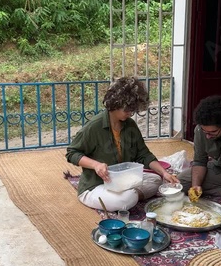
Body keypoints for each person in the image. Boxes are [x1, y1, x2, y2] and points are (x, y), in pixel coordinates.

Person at [66, 76, 179, 212]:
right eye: (127, 110)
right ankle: (131, 196)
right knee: (125, 199)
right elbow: (72, 153)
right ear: (115, 104)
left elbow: (143, 154)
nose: (130, 114)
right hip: (97, 186)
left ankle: (132, 195)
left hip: (122, 182)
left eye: (133, 110)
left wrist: (164, 173)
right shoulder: (94, 127)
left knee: (156, 179)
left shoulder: (130, 125)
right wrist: (96, 165)